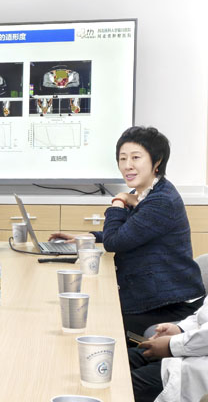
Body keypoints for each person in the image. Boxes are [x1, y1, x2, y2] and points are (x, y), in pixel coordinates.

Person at [50, 126, 205, 337]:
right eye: (122, 159)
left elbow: (115, 242)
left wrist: (119, 200)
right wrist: (90, 237)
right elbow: (131, 233)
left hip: (168, 304)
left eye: (135, 157)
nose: (127, 165)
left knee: (92, 318)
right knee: (83, 309)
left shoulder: (161, 201)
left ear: (157, 161)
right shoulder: (146, 193)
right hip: (153, 296)